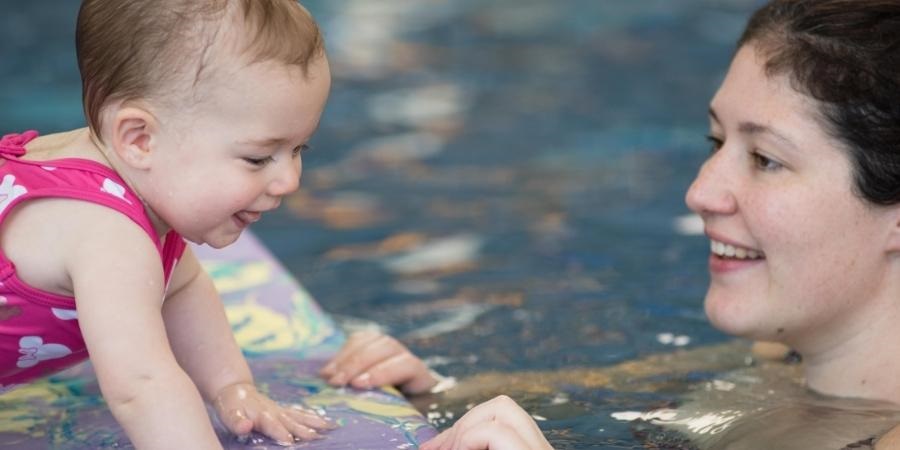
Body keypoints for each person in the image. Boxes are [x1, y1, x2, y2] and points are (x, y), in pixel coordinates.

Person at [415, 0, 900, 448]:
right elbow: (566, 396)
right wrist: (435, 393)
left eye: (765, 159)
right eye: (716, 143)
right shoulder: (780, 357)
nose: (700, 193)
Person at [0, 0, 333, 447]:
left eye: (298, 150)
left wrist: (231, 387)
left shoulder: (135, 187)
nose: (289, 180)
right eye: (258, 157)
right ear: (140, 139)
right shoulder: (106, 231)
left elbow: (182, 287)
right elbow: (142, 386)